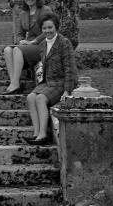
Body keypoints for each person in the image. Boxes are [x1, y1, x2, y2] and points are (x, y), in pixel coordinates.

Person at [25, 13, 78, 145]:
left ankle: (43, 135)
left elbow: (69, 68)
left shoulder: (64, 43)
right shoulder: (42, 44)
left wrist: (68, 90)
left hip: (60, 83)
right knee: (30, 97)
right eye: (44, 28)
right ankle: (36, 132)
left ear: (56, 28)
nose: (47, 31)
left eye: (50, 27)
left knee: (40, 98)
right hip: (47, 82)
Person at [3, 0, 52, 94]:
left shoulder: (45, 10)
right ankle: (13, 82)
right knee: (7, 50)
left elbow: (49, 31)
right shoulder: (23, 13)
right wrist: (21, 41)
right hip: (28, 46)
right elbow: (19, 33)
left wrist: (33, 42)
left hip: (42, 45)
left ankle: (15, 84)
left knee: (17, 50)